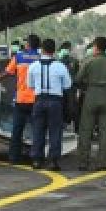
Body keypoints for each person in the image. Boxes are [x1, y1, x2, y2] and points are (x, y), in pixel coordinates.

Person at [26, 38, 72, 171]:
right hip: (55, 101)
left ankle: (36, 160)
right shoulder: (61, 66)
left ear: (42, 50)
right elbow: (67, 85)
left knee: (38, 130)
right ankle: (53, 161)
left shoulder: (33, 66)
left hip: (39, 100)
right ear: (54, 51)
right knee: (55, 131)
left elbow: (30, 85)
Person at [75, 36, 106, 171]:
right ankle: (102, 162)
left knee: (85, 130)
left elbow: (77, 79)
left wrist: (85, 87)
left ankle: (83, 161)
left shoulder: (89, 62)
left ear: (96, 47)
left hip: (91, 95)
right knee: (105, 131)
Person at [0, 34, 40, 164]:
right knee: (37, 130)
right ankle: (35, 158)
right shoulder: (41, 58)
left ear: (28, 44)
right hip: (36, 100)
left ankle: (14, 157)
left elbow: (8, 72)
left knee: (17, 130)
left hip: (21, 100)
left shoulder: (19, 57)